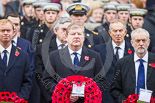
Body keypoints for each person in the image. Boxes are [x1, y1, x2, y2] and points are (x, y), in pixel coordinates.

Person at [43, 23, 106, 103]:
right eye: (73, 34)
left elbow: (102, 81)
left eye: (79, 34)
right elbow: (47, 80)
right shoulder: (54, 56)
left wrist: (89, 92)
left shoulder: (94, 56)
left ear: (84, 37)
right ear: (66, 37)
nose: (76, 36)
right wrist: (63, 93)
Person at [110, 28, 155, 103]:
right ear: (132, 43)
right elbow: (115, 89)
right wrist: (125, 101)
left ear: (149, 42)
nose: (141, 44)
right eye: (137, 41)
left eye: (143, 40)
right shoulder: (122, 63)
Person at [95, 19, 134, 103]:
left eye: (120, 30)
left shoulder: (133, 50)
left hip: (127, 95)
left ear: (125, 32)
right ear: (109, 32)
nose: (118, 34)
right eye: (115, 31)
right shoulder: (99, 50)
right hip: (106, 95)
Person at [35, 17, 73, 103]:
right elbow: (40, 76)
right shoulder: (42, 49)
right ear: (55, 31)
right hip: (50, 97)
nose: (66, 33)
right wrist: (55, 97)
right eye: (63, 29)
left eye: (69, 30)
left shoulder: (78, 49)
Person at [5, 12, 39, 103]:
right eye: (11, 24)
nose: (14, 27)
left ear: (20, 26)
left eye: (16, 24)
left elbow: (30, 70)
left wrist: (21, 96)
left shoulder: (26, 45)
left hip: (20, 93)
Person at [0, 19, 32, 100]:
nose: (6, 33)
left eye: (8, 30)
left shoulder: (23, 55)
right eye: (2, 31)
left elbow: (27, 82)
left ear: (13, 32)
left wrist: (19, 99)